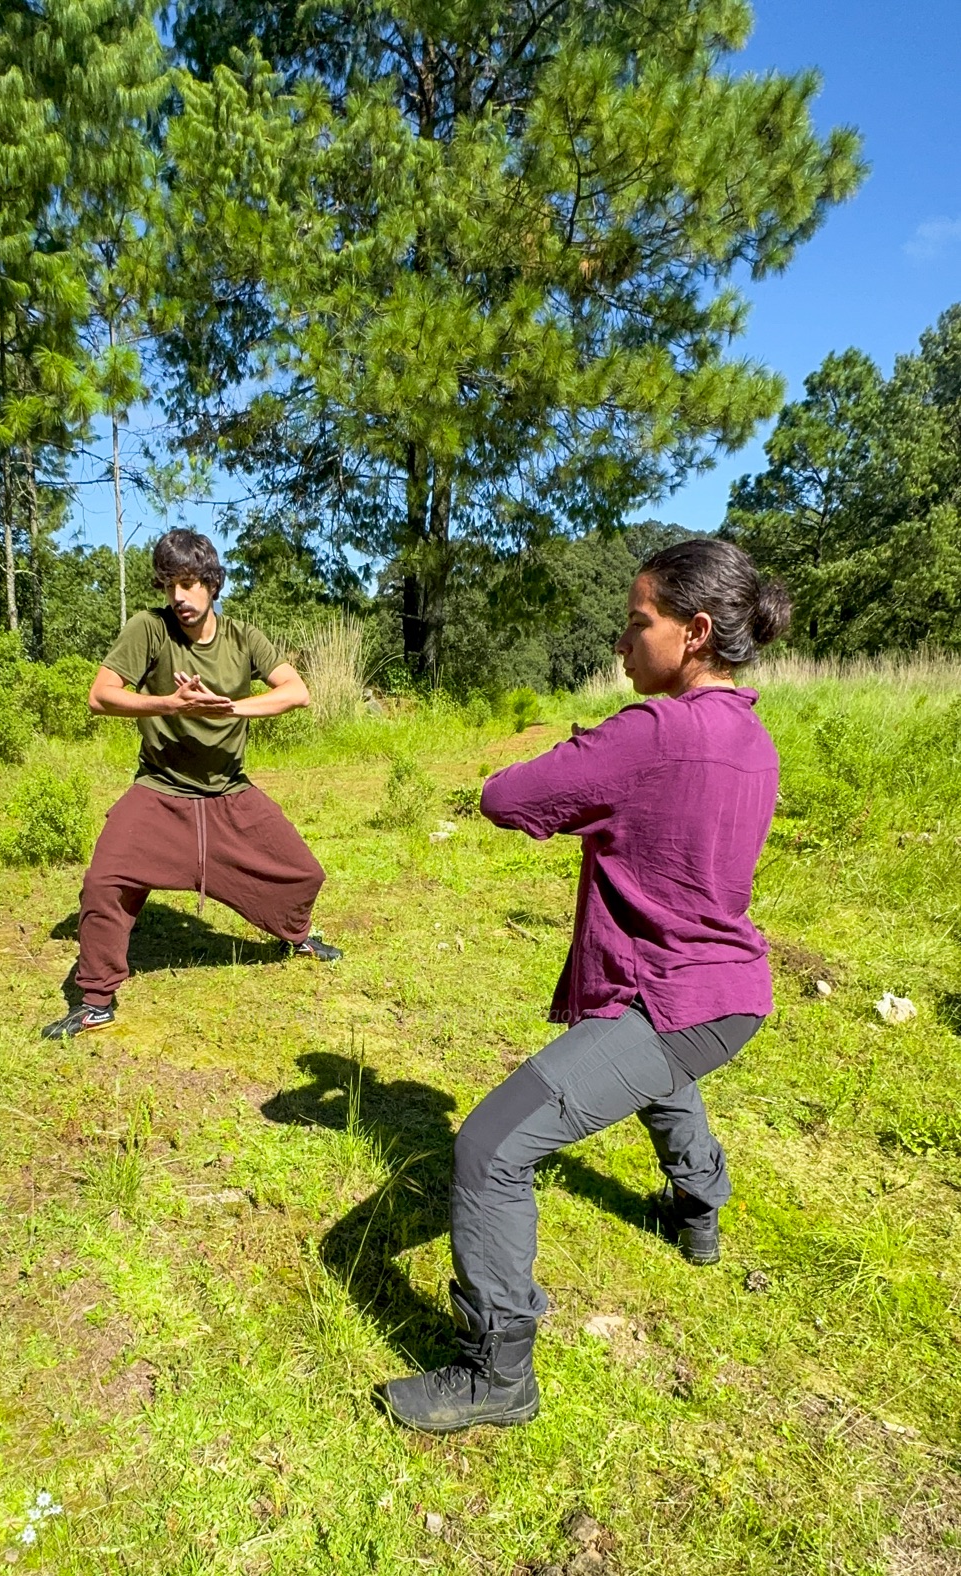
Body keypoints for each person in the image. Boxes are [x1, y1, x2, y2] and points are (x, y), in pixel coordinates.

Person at [379, 539, 790, 1434]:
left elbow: (505, 798)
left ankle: (497, 1374)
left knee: (488, 1150)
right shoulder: (751, 734)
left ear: (695, 632)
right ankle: (697, 1215)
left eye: (637, 622)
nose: (621, 640)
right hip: (725, 991)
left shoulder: (648, 733)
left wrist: (570, 746)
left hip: (671, 993)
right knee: (655, 1074)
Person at [42, 528, 341, 1040]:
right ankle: (96, 1001)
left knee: (302, 873)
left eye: (187, 583)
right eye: (168, 586)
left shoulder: (243, 638)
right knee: (103, 883)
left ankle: (297, 934)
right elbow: (100, 696)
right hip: (159, 790)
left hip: (229, 790)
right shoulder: (149, 630)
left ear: (210, 583)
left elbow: (297, 692)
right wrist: (168, 704)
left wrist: (231, 707)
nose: (178, 597)